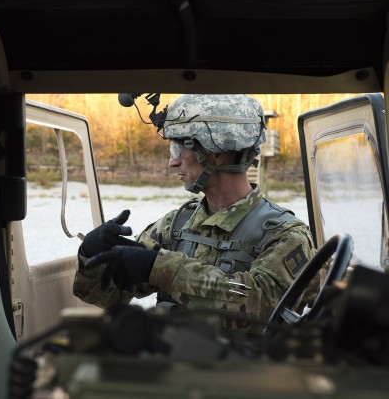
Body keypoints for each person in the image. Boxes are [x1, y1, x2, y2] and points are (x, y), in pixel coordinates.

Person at [73, 94, 317, 331]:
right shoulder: (175, 225)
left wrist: (161, 269)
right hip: (171, 361)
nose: (172, 162)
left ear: (217, 152)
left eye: (179, 149)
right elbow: (107, 297)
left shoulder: (285, 234)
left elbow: (266, 307)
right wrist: (91, 254)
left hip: (244, 369)